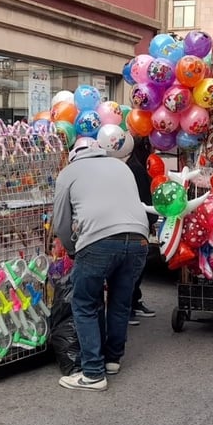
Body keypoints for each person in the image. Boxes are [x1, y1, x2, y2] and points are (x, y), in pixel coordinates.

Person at [52, 139, 150, 391]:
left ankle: (93, 373)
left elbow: (61, 223)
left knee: (84, 303)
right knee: (120, 301)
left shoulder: (68, 172)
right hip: (139, 238)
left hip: (99, 241)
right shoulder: (120, 166)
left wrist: (72, 249)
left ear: (74, 154)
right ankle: (112, 360)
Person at [125, 137, 159, 325]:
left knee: (138, 265)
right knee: (134, 267)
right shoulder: (136, 168)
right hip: (137, 222)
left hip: (139, 220)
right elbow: (143, 197)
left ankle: (134, 302)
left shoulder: (135, 166)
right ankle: (129, 306)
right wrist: (150, 218)